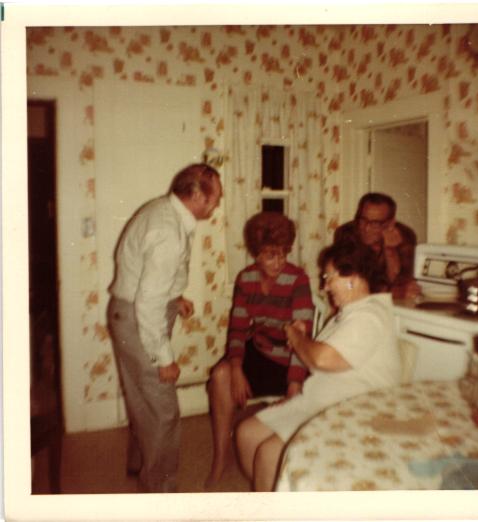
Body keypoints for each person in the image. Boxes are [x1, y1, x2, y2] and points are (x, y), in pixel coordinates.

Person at [236, 241, 402, 491]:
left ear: (352, 278)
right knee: (246, 434)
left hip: (352, 410)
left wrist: (296, 338)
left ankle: (273, 501)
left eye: (328, 277)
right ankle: (272, 495)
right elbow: (320, 356)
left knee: (269, 454)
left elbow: (322, 359)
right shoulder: (348, 313)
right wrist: (303, 341)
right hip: (320, 399)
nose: (325, 287)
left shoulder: (369, 317)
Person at [107, 163, 222, 492]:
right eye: (215, 197)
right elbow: (148, 303)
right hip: (139, 318)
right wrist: (164, 358)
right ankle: (161, 492)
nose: (217, 204)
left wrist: (175, 296)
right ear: (197, 194)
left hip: (129, 313)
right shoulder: (168, 231)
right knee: (164, 411)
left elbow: (149, 275)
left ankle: (140, 463)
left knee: (141, 397)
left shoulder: (163, 211)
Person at [206, 211, 314, 487]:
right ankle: (220, 456)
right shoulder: (246, 279)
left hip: (292, 358)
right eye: (270, 255)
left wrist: (294, 386)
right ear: (256, 253)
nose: (279, 262)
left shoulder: (298, 279)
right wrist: (236, 368)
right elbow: (238, 327)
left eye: (284, 253)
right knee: (220, 375)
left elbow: (302, 339)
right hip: (262, 350)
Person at [333, 192, 420, 299]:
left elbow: (401, 283)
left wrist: (390, 251)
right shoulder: (346, 234)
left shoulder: (405, 236)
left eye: (375, 223)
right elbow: (350, 284)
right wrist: (392, 292)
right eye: (363, 220)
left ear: (390, 223)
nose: (366, 228)